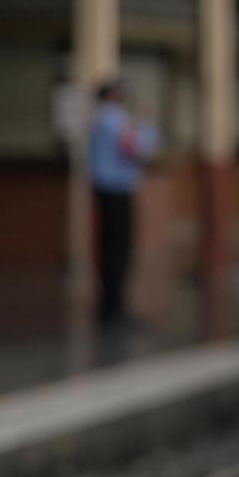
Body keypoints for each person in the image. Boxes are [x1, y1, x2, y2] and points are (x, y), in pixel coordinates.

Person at [87, 76, 159, 328]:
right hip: (118, 190)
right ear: (116, 96)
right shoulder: (116, 120)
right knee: (119, 249)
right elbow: (137, 150)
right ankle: (114, 307)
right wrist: (149, 127)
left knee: (108, 248)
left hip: (102, 190)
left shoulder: (98, 119)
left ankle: (109, 304)